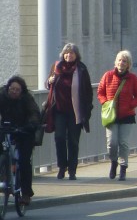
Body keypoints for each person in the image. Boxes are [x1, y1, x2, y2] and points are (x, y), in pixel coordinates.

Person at [44, 43, 93, 180]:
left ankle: (72, 169)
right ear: (63, 54)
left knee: (73, 140)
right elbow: (47, 84)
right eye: (66, 52)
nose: (69, 55)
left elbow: (88, 91)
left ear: (76, 55)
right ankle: (61, 167)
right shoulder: (57, 67)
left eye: (71, 53)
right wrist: (50, 80)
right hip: (59, 110)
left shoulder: (81, 69)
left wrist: (87, 109)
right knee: (59, 138)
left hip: (75, 112)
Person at [97, 50, 137, 180]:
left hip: (127, 115)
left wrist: (130, 105)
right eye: (119, 60)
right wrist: (105, 103)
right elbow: (100, 92)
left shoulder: (132, 78)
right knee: (112, 143)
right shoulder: (108, 76)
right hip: (111, 115)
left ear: (128, 65)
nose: (121, 63)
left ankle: (123, 168)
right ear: (115, 62)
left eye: (124, 61)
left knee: (123, 143)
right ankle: (113, 162)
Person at [0, 75, 41, 205]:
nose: (14, 91)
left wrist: (31, 125)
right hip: (6, 128)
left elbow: (34, 113)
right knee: (2, 153)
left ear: (22, 90)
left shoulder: (27, 99)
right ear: (8, 88)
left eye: (17, 90)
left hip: (24, 130)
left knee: (24, 161)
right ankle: (4, 176)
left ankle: (26, 193)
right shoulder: (2, 96)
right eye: (12, 89)